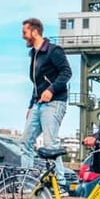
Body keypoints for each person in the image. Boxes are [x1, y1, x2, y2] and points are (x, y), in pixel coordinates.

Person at [21, 17, 72, 184]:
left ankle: (61, 184)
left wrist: (51, 89)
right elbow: (36, 84)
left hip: (54, 102)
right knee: (26, 142)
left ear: (35, 32)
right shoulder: (34, 54)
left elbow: (66, 72)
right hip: (38, 103)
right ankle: (27, 185)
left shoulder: (53, 50)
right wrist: (31, 105)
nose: (23, 36)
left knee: (51, 144)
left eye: (25, 32)